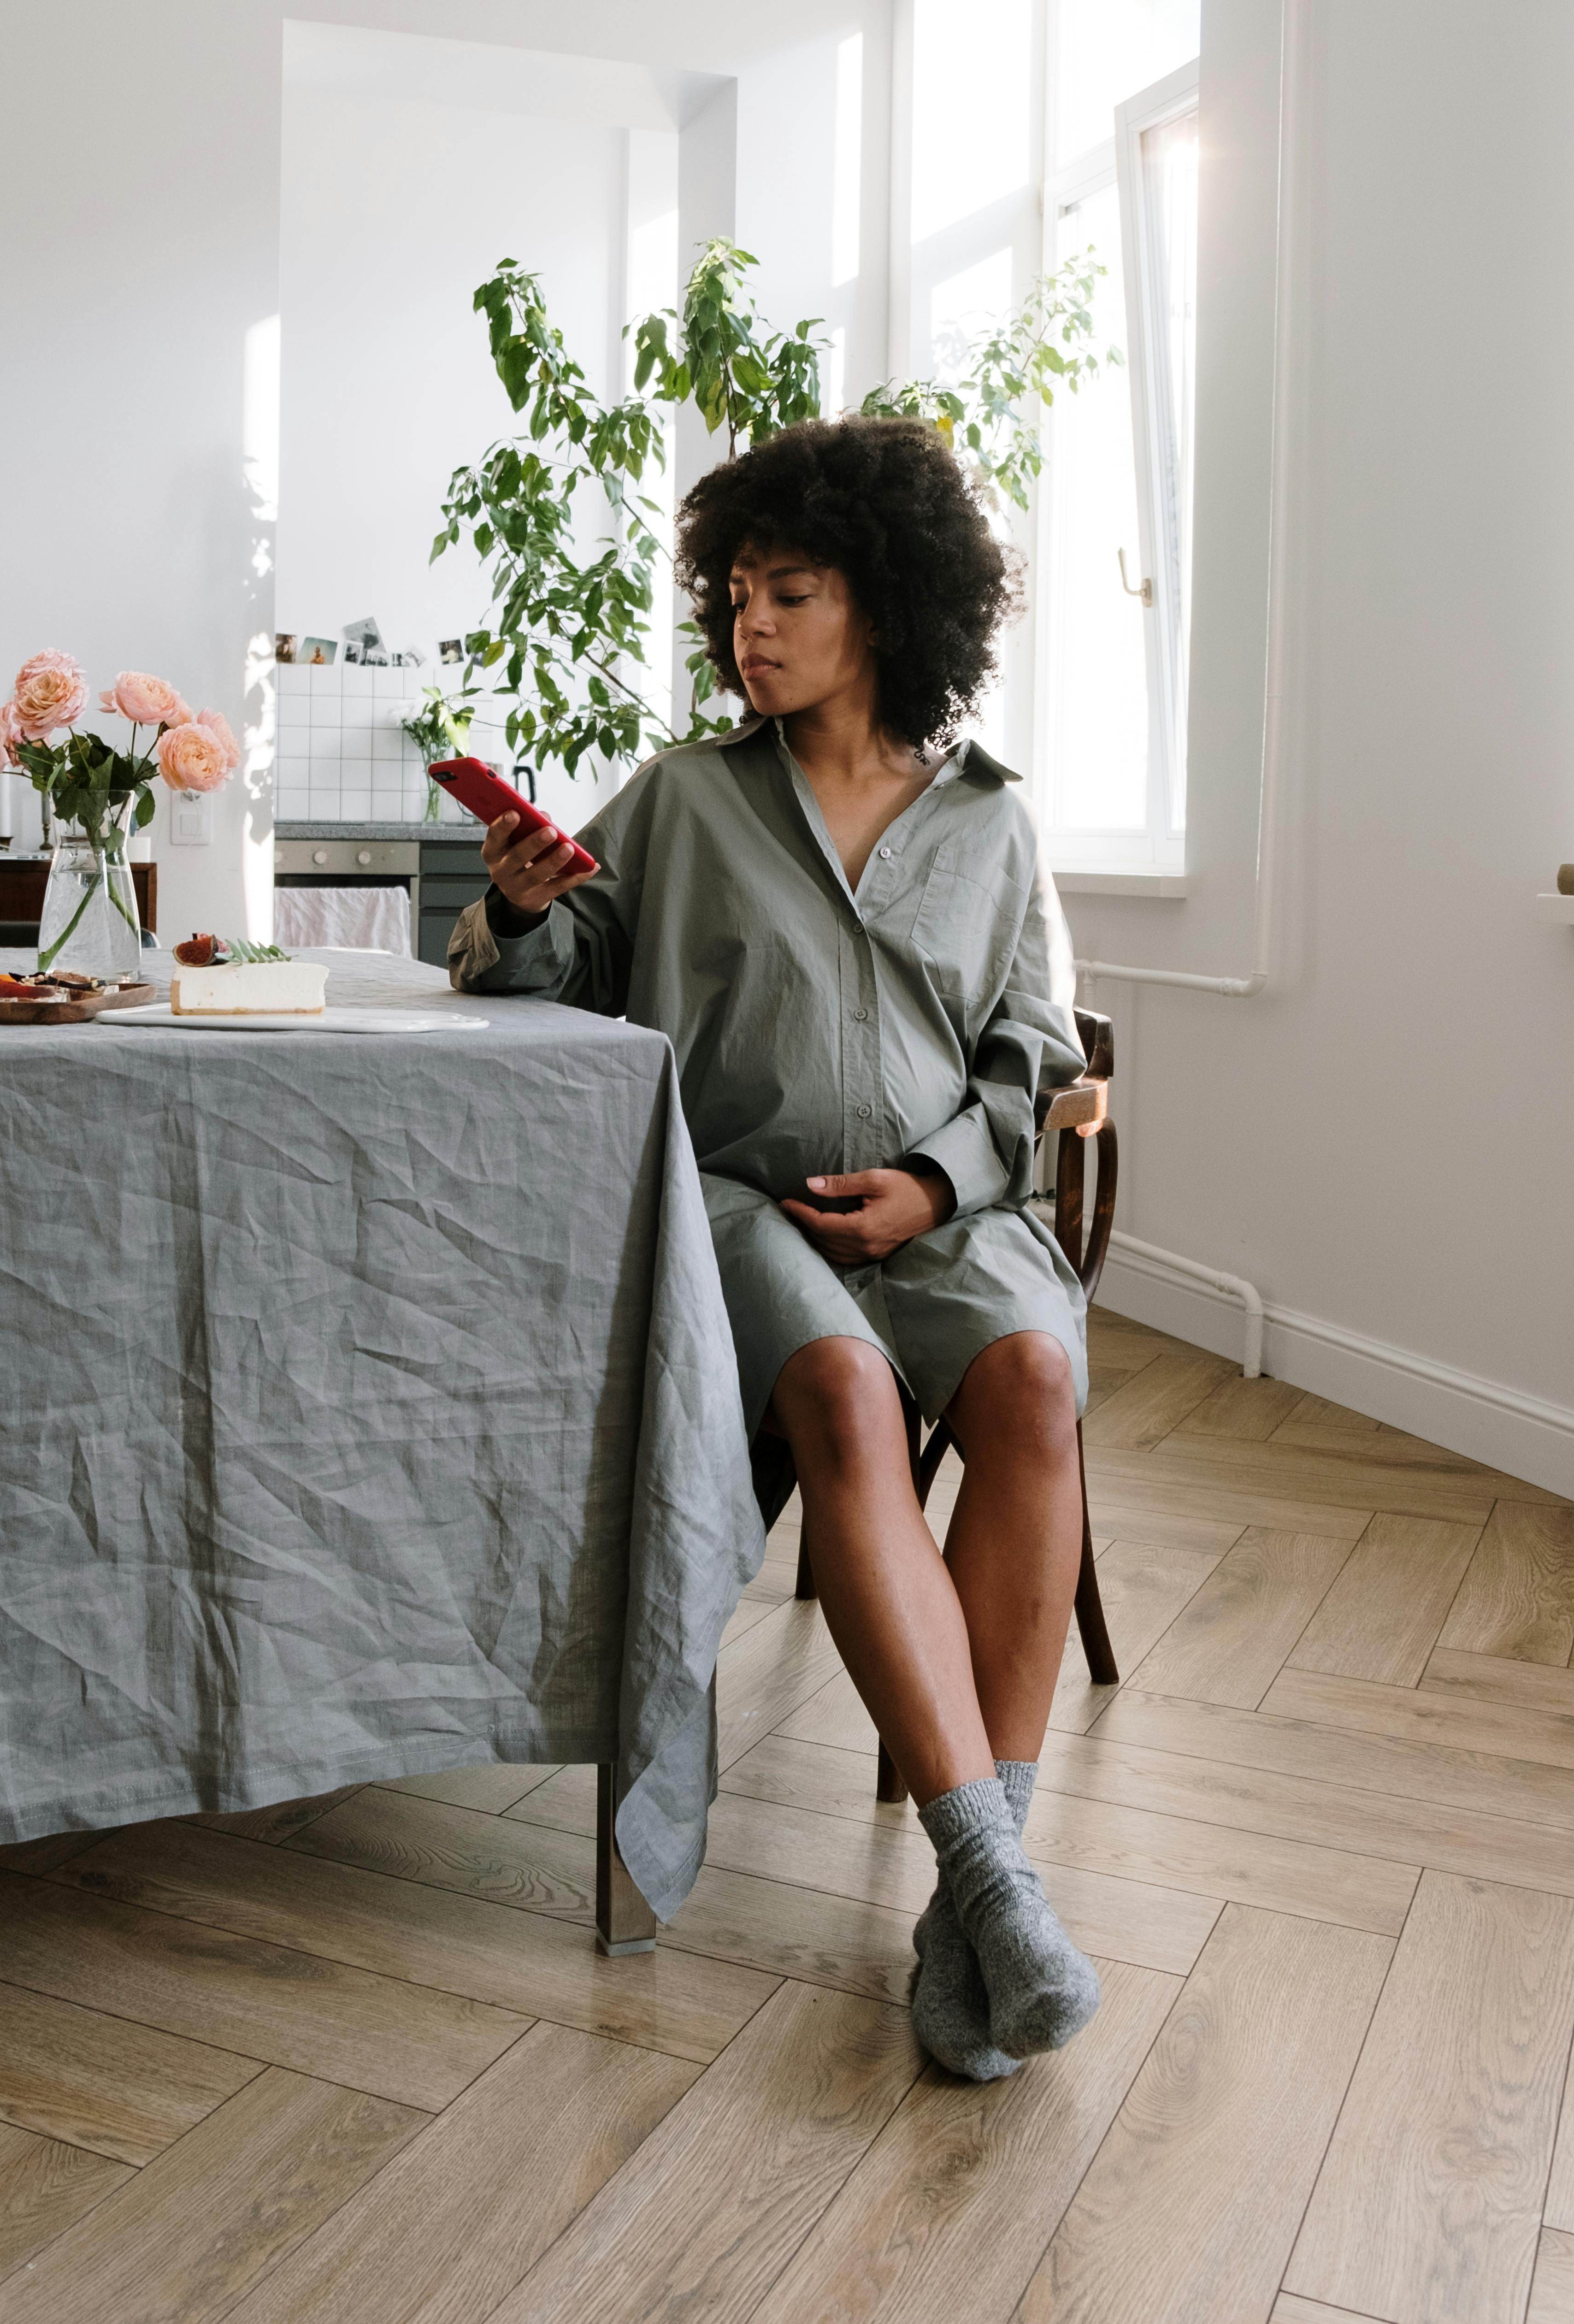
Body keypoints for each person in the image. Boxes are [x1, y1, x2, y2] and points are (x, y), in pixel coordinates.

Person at [449, 414, 1101, 2079]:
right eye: (732, 594)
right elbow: (552, 965)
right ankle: (993, 1881)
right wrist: (521, 904)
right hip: (739, 1204)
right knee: (844, 1394)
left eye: (786, 590)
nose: (747, 624)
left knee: (1032, 1381)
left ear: (879, 602)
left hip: (946, 1211)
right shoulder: (683, 794)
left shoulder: (993, 825)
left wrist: (937, 1189)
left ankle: (978, 1903)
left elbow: (1034, 1055)